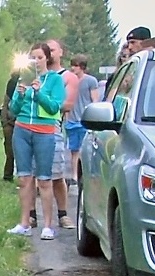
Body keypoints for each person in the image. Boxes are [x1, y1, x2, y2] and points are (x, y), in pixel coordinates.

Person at [6, 42, 66, 241]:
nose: (36, 61)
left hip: (44, 131)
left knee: (44, 179)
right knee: (24, 178)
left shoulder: (55, 80)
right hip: (22, 130)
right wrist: (21, 96)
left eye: (40, 57)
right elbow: (13, 109)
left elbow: (54, 107)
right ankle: (24, 223)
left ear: (47, 58)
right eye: (33, 57)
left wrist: (39, 93)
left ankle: (48, 225)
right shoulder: (23, 78)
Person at [39, 38, 76, 229]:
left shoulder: (67, 77)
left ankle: (63, 214)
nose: (50, 53)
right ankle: (30, 215)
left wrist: (46, 100)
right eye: (47, 50)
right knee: (29, 175)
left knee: (57, 175)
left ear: (61, 52)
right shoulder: (34, 75)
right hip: (32, 128)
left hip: (53, 128)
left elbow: (68, 104)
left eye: (53, 50)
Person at [66, 54, 101, 183]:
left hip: (84, 120)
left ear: (82, 67)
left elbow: (95, 99)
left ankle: (87, 176)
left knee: (85, 149)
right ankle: (74, 175)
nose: (73, 68)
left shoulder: (90, 81)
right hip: (71, 120)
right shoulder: (69, 81)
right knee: (74, 150)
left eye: (75, 66)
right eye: (72, 65)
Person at [0, 71, 20, 182]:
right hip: (9, 122)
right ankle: (8, 175)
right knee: (10, 150)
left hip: (22, 121)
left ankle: (24, 175)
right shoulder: (11, 84)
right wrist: (5, 122)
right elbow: (5, 103)